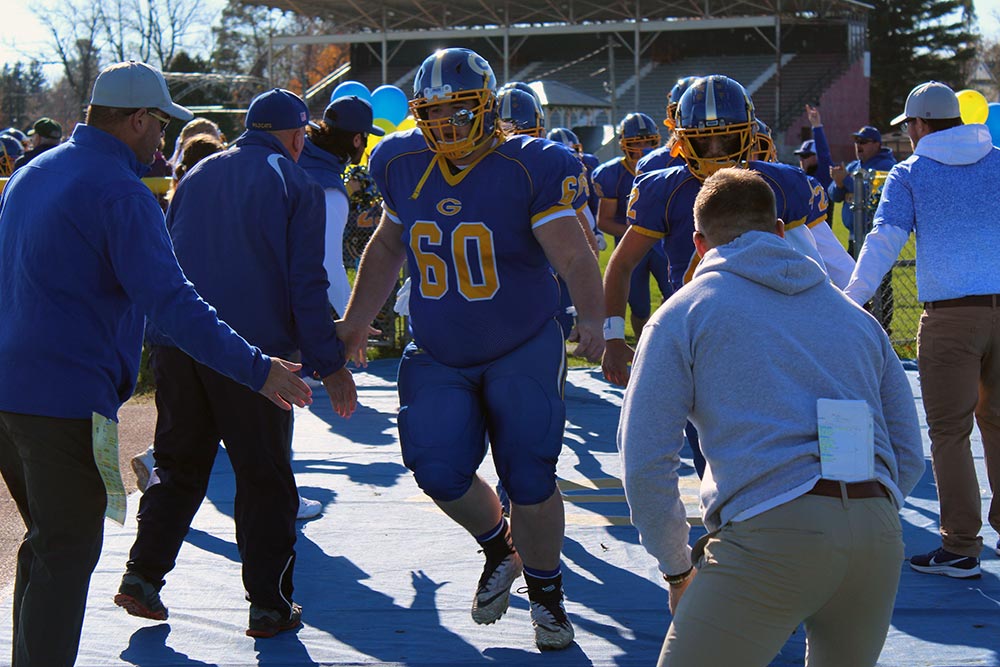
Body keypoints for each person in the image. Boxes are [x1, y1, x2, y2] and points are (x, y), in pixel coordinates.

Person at [0, 60, 312, 667]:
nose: (164, 138)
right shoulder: (119, 190)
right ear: (138, 120)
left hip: (10, 391)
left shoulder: (34, 170)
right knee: (67, 545)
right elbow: (173, 302)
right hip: (64, 399)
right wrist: (257, 368)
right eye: (159, 124)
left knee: (46, 543)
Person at [337, 47, 604, 651]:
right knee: (434, 467)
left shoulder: (529, 164)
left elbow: (572, 253)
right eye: (434, 113)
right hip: (438, 344)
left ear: (487, 107)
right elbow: (385, 248)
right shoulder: (402, 160)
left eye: (460, 111)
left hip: (521, 340)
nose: (447, 125)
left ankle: (547, 597)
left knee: (530, 475)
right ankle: (498, 548)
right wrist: (355, 321)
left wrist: (595, 316)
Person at [620, 167, 924, 667]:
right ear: (781, 230)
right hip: (877, 530)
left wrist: (677, 569)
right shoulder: (857, 320)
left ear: (698, 244)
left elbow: (646, 460)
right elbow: (908, 452)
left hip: (770, 530)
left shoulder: (684, 312)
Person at [114, 88, 358, 638]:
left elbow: (166, 259)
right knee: (264, 476)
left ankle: (142, 576)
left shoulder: (198, 172)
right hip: (257, 354)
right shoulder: (296, 180)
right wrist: (330, 362)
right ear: (297, 135)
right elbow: (305, 281)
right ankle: (268, 605)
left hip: (184, 344)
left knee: (178, 466)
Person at [846, 80, 1000, 578]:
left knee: (949, 434)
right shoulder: (998, 159)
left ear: (917, 125)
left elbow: (884, 240)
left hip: (951, 319)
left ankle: (960, 545)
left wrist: (851, 300)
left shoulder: (910, 172)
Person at [300, 94, 384, 319]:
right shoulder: (329, 189)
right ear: (357, 139)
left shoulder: (296, 157)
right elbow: (328, 265)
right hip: (283, 306)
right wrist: (354, 321)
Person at [592, 112, 672, 336]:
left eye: (648, 142)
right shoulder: (611, 174)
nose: (643, 148)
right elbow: (604, 221)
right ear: (624, 144)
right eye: (636, 143)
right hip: (631, 247)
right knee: (639, 306)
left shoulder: (665, 165)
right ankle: (641, 347)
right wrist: (640, 232)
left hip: (663, 245)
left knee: (676, 294)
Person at [829, 124, 897, 252]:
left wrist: (845, 180)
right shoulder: (854, 166)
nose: (858, 145)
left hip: (877, 237)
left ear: (877, 144)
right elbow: (833, 195)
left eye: (863, 142)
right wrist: (839, 184)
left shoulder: (886, 165)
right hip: (854, 236)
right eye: (857, 141)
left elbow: (872, 191)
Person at [793, 104, 834, 189]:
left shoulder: (824, 173)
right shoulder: (799, 175)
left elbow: (823, 154)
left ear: (816, 157)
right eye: (801, 156)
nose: (802, 159)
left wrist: (817, 126)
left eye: (806, 155)